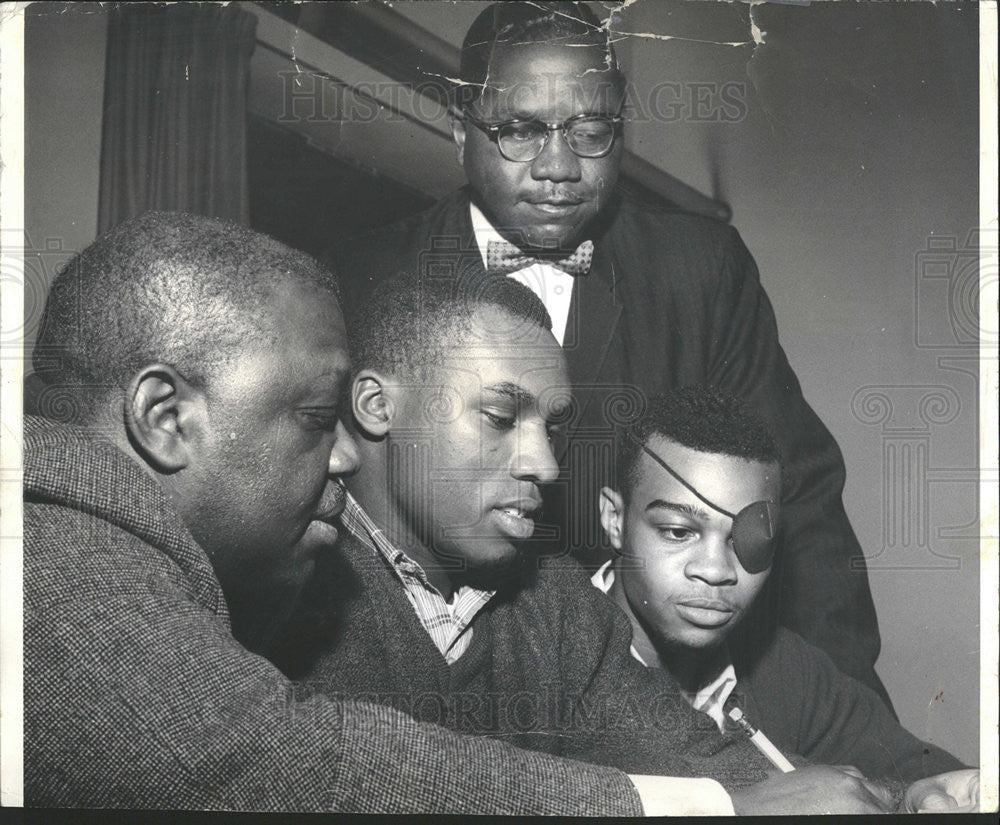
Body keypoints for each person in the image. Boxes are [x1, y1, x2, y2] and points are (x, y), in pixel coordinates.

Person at [25, 211, 719, 815]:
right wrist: (695, 805)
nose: (340, 458)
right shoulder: (43, 553)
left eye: (554, 428)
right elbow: (269, 759)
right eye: (316, 418)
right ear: (163, 416)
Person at [329, 0, 891, 706]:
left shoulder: (700, 272)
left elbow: (798, 504)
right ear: (457, 127)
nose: (559, 166)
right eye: (520, 130)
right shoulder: (360, 276)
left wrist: (850, 715)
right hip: (434, 695)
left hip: (658, 692)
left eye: (592, 132)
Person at [274, 274, 910, 815]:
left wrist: (899, 797)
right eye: (501, 418)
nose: (546, 465)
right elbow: (362, 773)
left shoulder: (552, 598)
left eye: (552, 427)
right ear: (376, 406)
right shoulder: (278, 583)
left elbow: (693, 756)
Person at [592, 387, 979, 811]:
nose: (717, 569)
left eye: (749, 542)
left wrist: (918, 791)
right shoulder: (540, 643)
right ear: (615, 519)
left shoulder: (784, 668)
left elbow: (912, 765)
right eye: (678, 532)